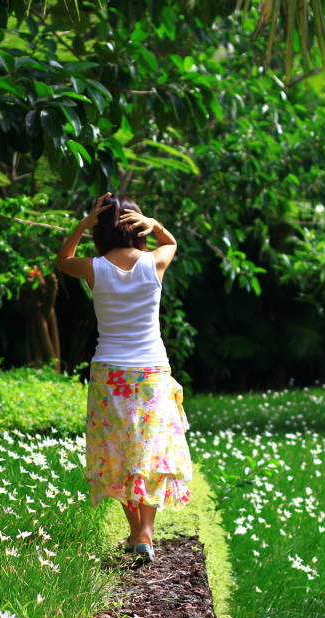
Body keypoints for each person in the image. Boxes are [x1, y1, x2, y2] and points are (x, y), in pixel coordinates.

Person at [55, 193, 192, 564]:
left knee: (118, 451)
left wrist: (83, 225)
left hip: (109, 372)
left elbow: (61, 260)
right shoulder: (155, 261)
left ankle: (137, 532)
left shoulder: (94, 267)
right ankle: (144, 532)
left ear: (100, 230)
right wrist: (156, 225)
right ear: (138, 227)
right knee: (148, 450)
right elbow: (172, 242)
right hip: (151, 371)